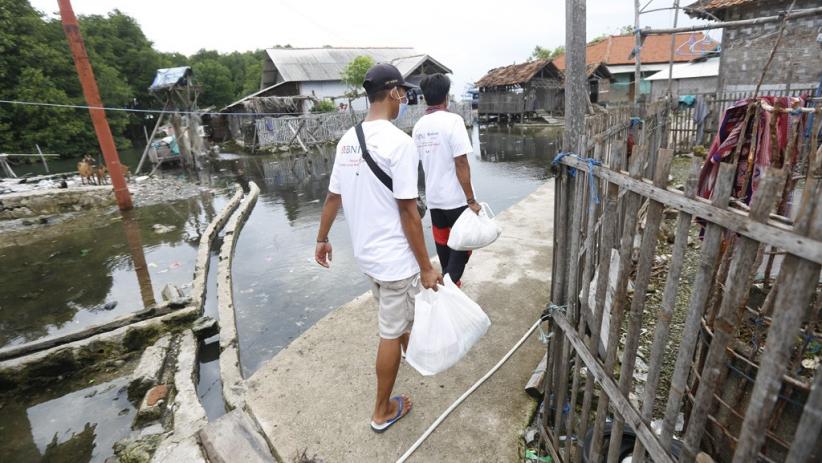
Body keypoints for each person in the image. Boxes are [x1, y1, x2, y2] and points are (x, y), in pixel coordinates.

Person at [314, 63, 442, 433]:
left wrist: (322, 238)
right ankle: (382, 410)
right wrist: (426, 266)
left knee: (397, 318)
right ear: (393, 94)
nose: (405, 98)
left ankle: (408, 352)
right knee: (389, 329)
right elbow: (409, 212)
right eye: (403, 92)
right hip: (395, 262)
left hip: (367, 256)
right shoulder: (400, 143)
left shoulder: (347, 140)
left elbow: (332, 197)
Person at [412, 73, 479, 287]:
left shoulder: (419, 126)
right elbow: (461, 162)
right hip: (456, 201)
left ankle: (450, 286)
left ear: (425, 98)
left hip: (434, 200)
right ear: (446, 97)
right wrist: (471, 199)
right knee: (462, 248)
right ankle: (447, 289)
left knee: (443, 245)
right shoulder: (453, 121)